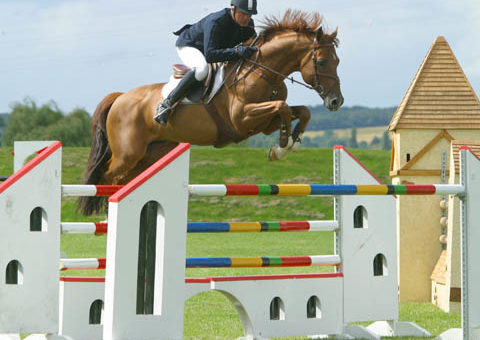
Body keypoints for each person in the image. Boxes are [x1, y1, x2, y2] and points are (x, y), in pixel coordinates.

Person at [154, 0, 259, 126]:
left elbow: (254, 48)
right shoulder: (216, 21)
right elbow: (210, 55)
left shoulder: (248, 25)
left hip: (213, 49)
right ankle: (166, 105)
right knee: (201, 69)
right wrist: (236, 52)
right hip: (191, 46)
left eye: (250, 15)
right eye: (243, 14)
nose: (246, 18)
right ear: (234, 9)